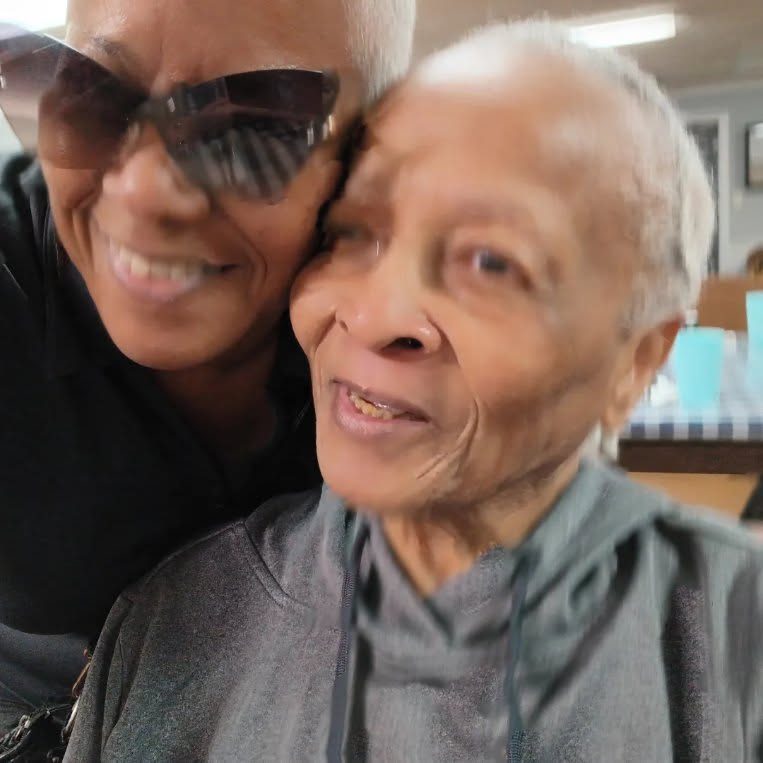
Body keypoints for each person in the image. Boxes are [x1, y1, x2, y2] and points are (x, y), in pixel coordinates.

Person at [66, 22, 763, 762]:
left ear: (635, 359)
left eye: (491, 262)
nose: (373, 317)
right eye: (352, 233)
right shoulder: (177, 621)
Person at [0, 0, 416, 733]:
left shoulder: (412, 337)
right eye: (91, 96)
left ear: (365, 160)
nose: (143, 193)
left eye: (252, 132)